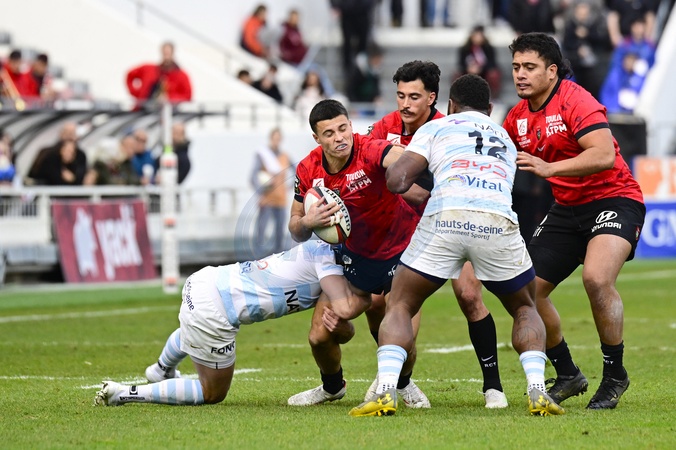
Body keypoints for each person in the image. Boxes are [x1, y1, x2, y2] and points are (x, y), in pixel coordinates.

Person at [349, 74, 563, 417]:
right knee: (525, 308)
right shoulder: (505, 138)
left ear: (449, 105)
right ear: (489, 109)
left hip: (446, 218)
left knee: (400, 303)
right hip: (496, 221)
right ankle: (537, 389)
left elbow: (397, 180)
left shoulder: (436, 128)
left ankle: (386, 390)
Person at [504, 32, 645, 410]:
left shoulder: (575, 99)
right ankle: (568, 373)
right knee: (525, 292)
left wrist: (550, 169)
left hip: (615, 198)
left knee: (596, 278)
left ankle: (614, 375)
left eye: (529, 67)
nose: (520, 74)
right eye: (516, 67)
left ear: (552, 71)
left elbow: (603, 155)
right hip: (567, 208)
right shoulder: (516, 118)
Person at [366, 60, 508, 408]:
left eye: (414, 97)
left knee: (469, 295)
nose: (405, 104)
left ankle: (493, 387)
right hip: (398, 234)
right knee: (378, 304)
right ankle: (400, 381)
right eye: (400, 95)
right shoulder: (383, 128)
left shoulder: (450, 129)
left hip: (450, 225)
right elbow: (367, 169)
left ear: (433, 98)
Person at [94, 240, 371, 407]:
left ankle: (160, 369)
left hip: (206, 280)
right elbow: (343, 310)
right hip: (215, 309)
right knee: (212, 393)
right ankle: (125, 393)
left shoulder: (319, 250)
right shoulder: (328, 265)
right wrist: (371, 295)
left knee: (195, 331)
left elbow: (335, 326)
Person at [287, 99, 431, 408]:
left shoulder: (369, 149)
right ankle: (332, 388)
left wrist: (416, 163)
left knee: (403, 333)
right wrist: (310, 221)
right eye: (329, 133)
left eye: (343, 128)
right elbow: (295, 228)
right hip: (354, 258)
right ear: (316, 138)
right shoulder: (308, 169)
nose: (339, 137)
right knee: (319, 335)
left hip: (401, 250)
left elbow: (399, 156)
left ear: (351, 126)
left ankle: (402, 383)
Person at [250, 127, 293, 257]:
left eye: (278, 138)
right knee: (261, 229)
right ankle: (258, 257)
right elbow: (253, 176)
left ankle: (279, 256)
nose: (276, 141)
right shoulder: (263, 155)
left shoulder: (285, 156)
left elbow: (298, 170)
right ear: (271, 138)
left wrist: (291, 186)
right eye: (274, 138)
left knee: (280, 230)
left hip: (281, 198)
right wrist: (261, 191)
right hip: (267, 198)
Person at [126, 42, 192, 108]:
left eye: (168, 53)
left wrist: (169, 98)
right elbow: (130, 75)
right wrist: (137, 93)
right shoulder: (150, 70)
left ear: (173, 53)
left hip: (168, 110)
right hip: (143, 108)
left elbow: (187, 96)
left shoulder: (181, 76)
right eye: (165, 53)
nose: (166, 56)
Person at [456, 26, 502, 100]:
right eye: (476, 36)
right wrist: (468, 68)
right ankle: (459, 97)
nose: (477, 39)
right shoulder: (465, 49)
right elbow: (461, 63)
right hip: (468, 72)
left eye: (479, 36)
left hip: (484, 72)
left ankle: (493, 97)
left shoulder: (488, 48)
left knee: (494, 74)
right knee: (457, 75)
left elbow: (492, 63)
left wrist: (481, 68)